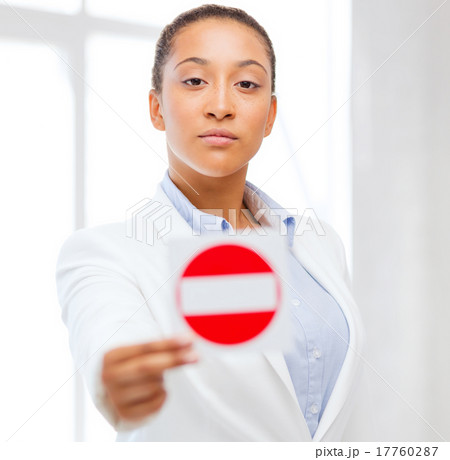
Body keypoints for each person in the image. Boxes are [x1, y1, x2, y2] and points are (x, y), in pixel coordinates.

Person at [55, 4, 365, 441]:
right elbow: (111, 343)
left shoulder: (320, 245)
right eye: (195, 81)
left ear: (270, 115)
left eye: (246, 84)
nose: (221, 105)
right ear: (156, 107)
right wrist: (119, 378)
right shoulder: (105, 253)